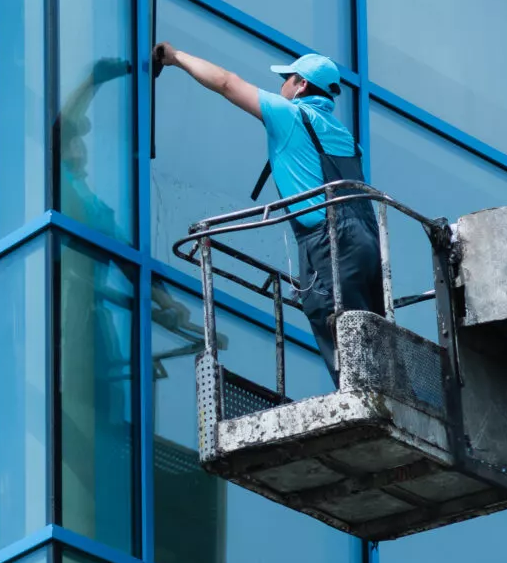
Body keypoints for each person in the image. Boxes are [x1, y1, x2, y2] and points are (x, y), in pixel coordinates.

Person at [151, 41, 384, 362]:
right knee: (372, 336)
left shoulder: (288, 114)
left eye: (287, 78)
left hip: (329, 242)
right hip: (368, 244)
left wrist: (175, 56)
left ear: (301, 85)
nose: (281, 84)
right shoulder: (345, 136)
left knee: (332, 319)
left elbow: (226, 83)